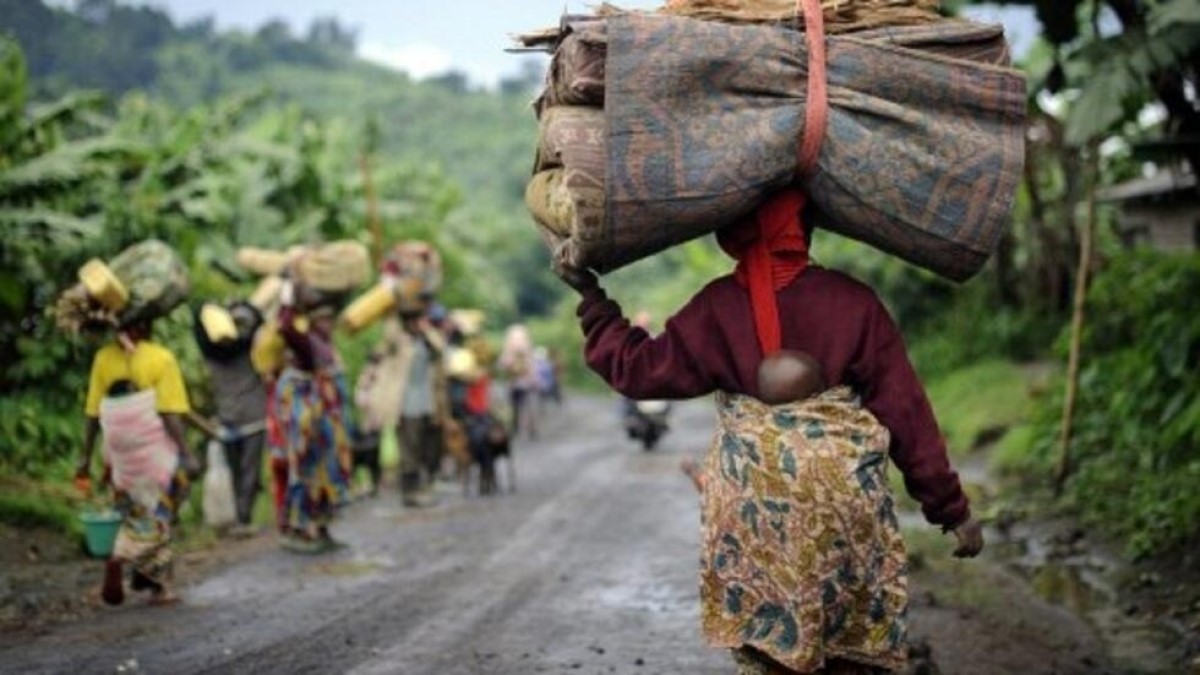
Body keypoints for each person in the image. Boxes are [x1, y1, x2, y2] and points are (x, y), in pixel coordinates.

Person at [556, 187, 984, 674]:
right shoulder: (853, 302)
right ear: (807, 226)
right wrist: (951, 510)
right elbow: (906, 411)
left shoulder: (717, 308)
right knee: (850, 649)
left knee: (770, 651)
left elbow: (637, 369)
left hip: (755, 521)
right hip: (843, 513)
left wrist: (592, 300)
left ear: (729, 230)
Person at [76, 319, 195, 607]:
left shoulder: (103, 358)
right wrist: (186, 452)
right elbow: (169, 412)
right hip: (154, 453)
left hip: (120, 454)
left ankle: (143, 575)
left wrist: (84, 457)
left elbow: (93, 413)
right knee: (163, 511)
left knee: (134, 510)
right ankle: (153, 580)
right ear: (144, 326)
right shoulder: (160, 357)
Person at [273, 278, 353, 552]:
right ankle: (298, 529)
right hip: (308, 424)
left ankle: (321, 527)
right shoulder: (305, 344)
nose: (328, 326)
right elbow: (284, 326)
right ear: (312, 321)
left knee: (328, 474)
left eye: (331, 321)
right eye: (322, 321)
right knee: (306, 472)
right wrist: (287, 294)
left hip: (326, 425)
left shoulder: (327, 348)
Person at [357, 279, 449, 508]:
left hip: (426, 401)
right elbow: (389, 334)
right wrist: (391, 300)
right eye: (415, 321)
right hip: (404, 403)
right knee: (408, 447)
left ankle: (420, 486)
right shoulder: (397, 343)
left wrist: (426, 330)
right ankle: (409, 491)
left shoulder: (425, 342)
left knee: (424, 446)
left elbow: (440, 350)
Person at [194, 301, 268, 535]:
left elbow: (197, 327)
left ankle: (240, 517)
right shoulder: (248, 350)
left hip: (228, 417)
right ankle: (243, 518)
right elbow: (260, 325)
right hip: (253, 416)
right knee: (248, 471)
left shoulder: (210, 354)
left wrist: (207, 311)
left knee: (237, 470)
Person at [498, 324, 539, 440]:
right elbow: (504, 366)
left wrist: (533, 379)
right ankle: (517, 427)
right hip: (514, 384)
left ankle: (529, 428)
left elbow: (532, 368)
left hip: (524, 384)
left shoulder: (527, 353)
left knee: (528, 407)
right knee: (515, 407)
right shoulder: (509, 353)